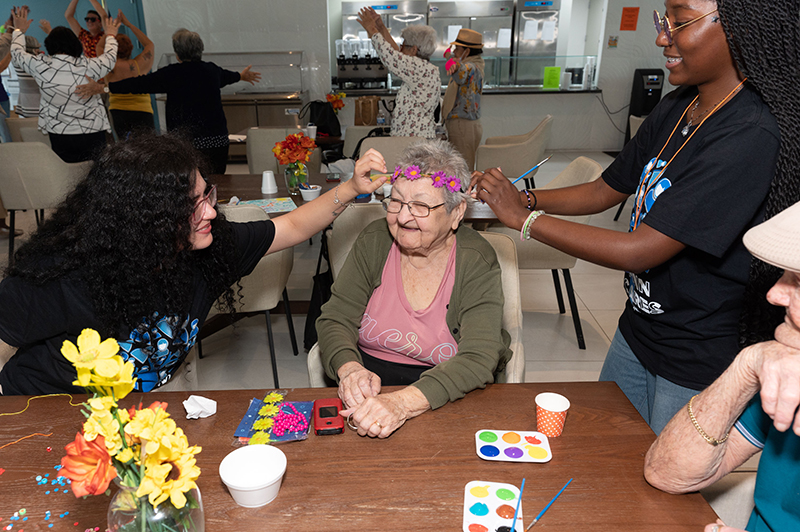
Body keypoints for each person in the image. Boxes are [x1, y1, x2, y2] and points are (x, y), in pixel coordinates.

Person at [470, 0, 798, 434]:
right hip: (639, 328)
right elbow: (604, 189)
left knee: (665, 484)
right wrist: (524, 198)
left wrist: (523, 221)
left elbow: (640, 249)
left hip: (698, 351)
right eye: (665, 23)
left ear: (737, 28)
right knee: (604, 454)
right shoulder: (680, 104)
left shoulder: (748, 134)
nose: (662, 37)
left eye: (679, 23)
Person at [0, 132, 388, 396]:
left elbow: (292, 225)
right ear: (145, 219)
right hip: (43, 409)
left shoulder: (209, 248)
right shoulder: (61, 276)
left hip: (130, 417)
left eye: (207, 194)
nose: (210, 212)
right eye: (191, 205)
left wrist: (351, 189)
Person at [317, 140, 512, 439]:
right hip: (366, 393)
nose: (403, 217)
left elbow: (479, 356)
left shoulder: (476, 259)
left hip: (444, 395)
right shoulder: (375, 240)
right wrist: (350, 370)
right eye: (395, 202)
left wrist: (401, 403)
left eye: (420, 205)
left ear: (457, 212)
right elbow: (335, 318)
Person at [644, 199, 800, 532]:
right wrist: (748, 364)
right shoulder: (786, 372)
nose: (775, 294)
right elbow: (666, 473)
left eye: (798, 281)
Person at [98, 28, 260, 174]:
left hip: (186, 143)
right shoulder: (211, 70)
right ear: (200, 49)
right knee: (218, 180)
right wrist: (241, 76)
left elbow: (138, 84)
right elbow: (228, 76)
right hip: (216, 140)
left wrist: (106, 87)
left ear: (177, 53)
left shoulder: (171, 74)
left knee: (191, 182)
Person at [10, 6, 118, 162]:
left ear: (49, 46)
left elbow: (17, 53)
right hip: (93, 131)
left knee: (67, 174)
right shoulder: (89, 66)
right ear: (75, 45)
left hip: (59, 133)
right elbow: (110, 58)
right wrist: (111, 35)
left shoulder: (40, 66)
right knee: (97, 174)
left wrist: (18, 30)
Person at [357, 7, 439, 139]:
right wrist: (381, 27)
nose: (400, 48)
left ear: (414, 49)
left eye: (403, 45)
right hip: (417, 137)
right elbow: (396, 54)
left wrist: (372, 29)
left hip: (413, 140)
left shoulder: (417, 67)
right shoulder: (425, 68)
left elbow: (391, 56)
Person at [76, 9, 156, 138]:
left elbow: (99, 47)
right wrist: (128, 24)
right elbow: (149, 44)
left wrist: (110, 32)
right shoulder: (139, 65)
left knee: (124, 148)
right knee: (147, 148)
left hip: (118, 111)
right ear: (130, 48)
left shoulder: (108, 65)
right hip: (143, 110)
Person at [442, 28, 484, 171]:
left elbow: (459, 73)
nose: (454, 52)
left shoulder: (471, 67)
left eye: (457, 49)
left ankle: (464, 193)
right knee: (463, 165)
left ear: (467, 51)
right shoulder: (476, 64)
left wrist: (449, 59)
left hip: (462, 124)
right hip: (466, 125)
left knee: (463, 169)